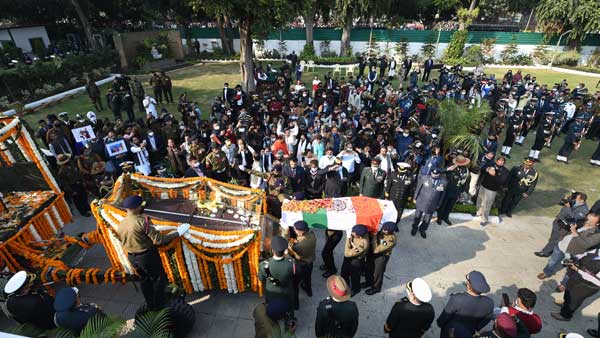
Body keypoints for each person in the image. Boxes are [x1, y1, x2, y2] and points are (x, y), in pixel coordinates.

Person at [114, 195, 189, 310]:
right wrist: (177, 232)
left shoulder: (121, 223)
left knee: (144, 280)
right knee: (158, 279)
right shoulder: (143, 221)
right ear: (137, 207)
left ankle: (150, 303)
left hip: (132, 257)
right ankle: (160, 305)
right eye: (140, 205)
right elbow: (158, 240)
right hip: (147, 256)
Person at [537, 212, 600, 282]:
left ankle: (563, 284)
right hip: (561, 246)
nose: (587, 222)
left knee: (570, 270)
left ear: (597, 224)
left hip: (573, 253)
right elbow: (566, 230)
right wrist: (566, 225)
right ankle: (546, 272)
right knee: (552, 261)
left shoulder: (597, 234)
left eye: (591, 222)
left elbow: (585, 245)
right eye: (587, 219)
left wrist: (575, 233)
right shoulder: (581, 221)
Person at [437, 271, 494, 338]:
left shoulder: (457, 298)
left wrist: (440, 324)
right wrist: (477, 327)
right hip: (469, 332)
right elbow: (487, 318)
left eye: (468, 281)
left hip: (451, 331)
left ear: (469, 285)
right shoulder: (489, 303)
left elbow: (444, 317)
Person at [552, 248, 600, 321]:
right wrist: (573, 259)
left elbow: (596, 280)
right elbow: (583, 254)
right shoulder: (597, 251)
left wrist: (578, 270)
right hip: (577, 276)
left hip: (589, 285)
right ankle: (565, 304)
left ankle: (565, 315)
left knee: (575, 299)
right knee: (568, 291)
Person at [535, 192, 589, 257]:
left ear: (582, 200)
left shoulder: (584, 210)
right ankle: (550, 250)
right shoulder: (572, 200)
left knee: (555, 240)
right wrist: (565, 199)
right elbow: (559, 203)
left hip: (564, 228)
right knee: (553, 238)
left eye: (576, 199)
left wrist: (568, 207)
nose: (574, 200)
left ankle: (545, 252)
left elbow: (574, 218)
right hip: (558, 222)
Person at [258, 236, 295, 311]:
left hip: (271, 292)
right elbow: (293, 275)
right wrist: (287, 255)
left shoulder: (264, 265)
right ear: (285, 251)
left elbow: (260, 278)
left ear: (272, 250)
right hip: (285, 291)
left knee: (271, 308)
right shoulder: (291, 264)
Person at [287, 220, 316, 309]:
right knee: (308, 279)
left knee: (295, 285)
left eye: (295, 229)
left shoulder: (299, 247)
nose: (294, 230)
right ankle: (309, 291)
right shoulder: (312, 235)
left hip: (300, 265)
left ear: (301, 231)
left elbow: (292, 252)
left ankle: (296, 304)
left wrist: (290, 246)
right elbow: (302, 240)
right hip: (310, 262)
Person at [412, 167, 447, 238]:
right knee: (417, 216)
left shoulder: (443, 182)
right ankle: (414, 228)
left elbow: (442, 195)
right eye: (433, 173)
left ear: (439, 174)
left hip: (432, 203)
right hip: (421, 201)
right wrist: (415, 198)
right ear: (431, 173)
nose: (434, 175)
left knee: (427, 218)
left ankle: (422, 229)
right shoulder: (424, 178)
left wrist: (439, 204)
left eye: (436, 174)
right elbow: (418, 188)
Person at [364, 222, 397, 295]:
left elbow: (376, 250)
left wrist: (375, 236)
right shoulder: (381, 230)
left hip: (381, 255)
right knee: (369, 267)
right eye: (384, 229)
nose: (384, 231)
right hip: (372, 252)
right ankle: (368, 282)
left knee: (377, 273)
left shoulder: (391, 240)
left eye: (387, 230)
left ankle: (376, 287)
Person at [437, 155, 470, 225]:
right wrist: (450, 169)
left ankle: (445, 217)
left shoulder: (466, 170)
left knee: (450, 205)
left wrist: (463, 191)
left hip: (457, 190)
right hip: (448, 188)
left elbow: (466, 181)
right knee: (443, 204)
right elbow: (444, 172)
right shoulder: (452, 166)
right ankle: (439, 217)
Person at [476, 156, 509, 226]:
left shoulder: (505, 171)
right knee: (479, 199)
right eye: (499, 160)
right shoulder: (491, 164)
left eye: (502, 161)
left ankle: (484, 219)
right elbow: (483, 168)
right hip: (483, 186)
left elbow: (501, 181)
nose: (500, 162)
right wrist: (488, 169)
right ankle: (478, 212)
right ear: (496, 161)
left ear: (504, 163)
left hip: (492, 190)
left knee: (487, 205)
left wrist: (494, 174)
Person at [341, 224, 369, 297]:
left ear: (359, 236)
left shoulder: (362, 244)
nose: (352, 233)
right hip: (350, 256)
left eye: (354, 233)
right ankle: (345, 286)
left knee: (355, 275)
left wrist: (347, 238)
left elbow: (347, 253)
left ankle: (356, 289)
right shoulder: (359, 234)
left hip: (356, 259)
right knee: (344, 272)